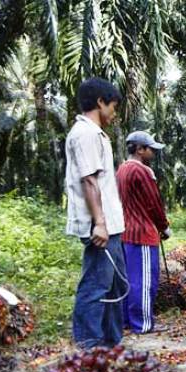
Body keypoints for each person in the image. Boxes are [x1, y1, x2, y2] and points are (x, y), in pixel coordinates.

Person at [64, 78, 126, 349]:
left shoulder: (94, 133)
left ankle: (111, 343)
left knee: (113, 285)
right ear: (100, 102)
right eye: (113, 106)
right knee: (96, 285)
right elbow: (89, 181)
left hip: (111, 224)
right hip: (101, 226)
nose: (114, 113)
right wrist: (99, 223)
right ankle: (89, 345)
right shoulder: (85, 134)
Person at [116, 131, 171, 334]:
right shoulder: (142, 171)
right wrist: (164, 226)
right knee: (144, 281)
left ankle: (126, 321)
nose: (153, 153)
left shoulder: (121, 169)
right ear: (140, 149)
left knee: (128, 280)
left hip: (125, 232)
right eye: (151, 149)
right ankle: (143, 324)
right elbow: (153, 204)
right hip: (142, 234)